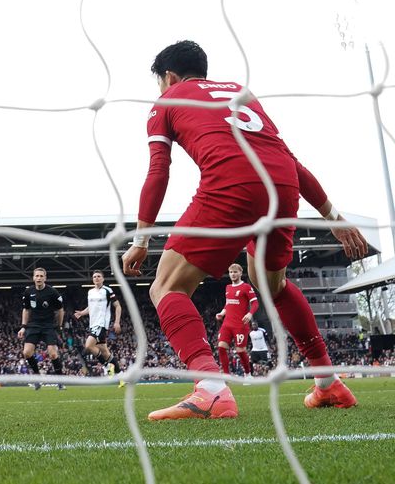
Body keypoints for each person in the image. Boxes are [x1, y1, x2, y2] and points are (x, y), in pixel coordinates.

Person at [121, 40, 367, 420]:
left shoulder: (166, 102)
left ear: (168, 77)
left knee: (166, 286)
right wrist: (333, 217)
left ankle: (211, 388)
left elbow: (158, 171)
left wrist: (140, 240)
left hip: (232, 184)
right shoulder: (242, 93)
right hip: (281, 186)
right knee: (272, 284)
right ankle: (327, 383)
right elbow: (289, 159)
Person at [19, 267, 66, 390]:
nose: (39, 278)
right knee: (27, 353)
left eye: (41, 276)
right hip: (33, 325)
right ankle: (37, 379)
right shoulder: (28, 292)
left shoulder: (53, 293)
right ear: (33, 277)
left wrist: (59, 325)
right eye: (37, 276)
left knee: (53, 354)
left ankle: (61, 382)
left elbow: (60, 310)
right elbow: (26, 310)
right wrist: (23, 327)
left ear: (45, 278)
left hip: (48, 326)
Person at [72, 270, 122, 376]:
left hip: (101, 324)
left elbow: (118, 306)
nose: (96, 278)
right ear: (92, 279)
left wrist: (117, 322)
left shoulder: (107, 290)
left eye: (99, 276)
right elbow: (91, 307)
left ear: (103, 279)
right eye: (94, 276)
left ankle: (107, 367)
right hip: (93, 324)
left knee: (89, 345)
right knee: (104, 351)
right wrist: (82, 313)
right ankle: (121, 376)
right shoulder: (90, 292)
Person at [214, 263, 258, 376]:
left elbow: (255, 303)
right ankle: (226, 375)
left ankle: (248, 374)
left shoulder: (246, 287)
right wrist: (222, 313)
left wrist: (250, 314)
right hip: (227, 323)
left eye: (235, 272)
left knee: (240, 351)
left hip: (240, 324)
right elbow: (228, 304)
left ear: (240, 273)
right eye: (231, 272)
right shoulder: (228, 288)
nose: (233, 274)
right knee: (221, 347)